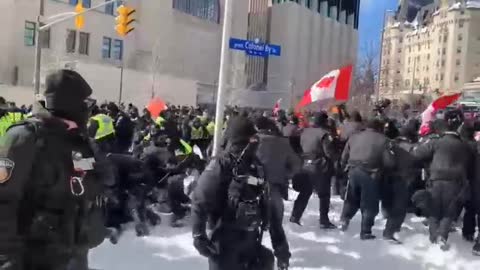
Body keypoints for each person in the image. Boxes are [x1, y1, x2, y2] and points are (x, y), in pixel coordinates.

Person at [0, 69, 113, 270]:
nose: (89, 110)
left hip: (72, 252)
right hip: (32, 257)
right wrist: (7, 258)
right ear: (70, 105)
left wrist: (89, 145)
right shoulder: (25, 138)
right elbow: (3, 200)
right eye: (86, 104)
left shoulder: (77, 141)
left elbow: (101, 179)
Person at [191, 117, 274, 270]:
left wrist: (266, 215)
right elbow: (199, 199)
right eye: (249, 140)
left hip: (251, 237)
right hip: (224, 240)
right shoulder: (221, 164)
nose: (253, 144)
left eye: (254, 140)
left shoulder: (256, 165)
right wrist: (198, 234)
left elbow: (264, 192)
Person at [413, 112, 475, 250]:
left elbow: (417, 154)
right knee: (449, 211)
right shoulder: (465, 146)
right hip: (455, 183)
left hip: (435, 180)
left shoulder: (436, 142)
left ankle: (434, 236)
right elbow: (470, 165)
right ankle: (441, 236)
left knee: (434, 210)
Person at [255, 116, 301, 270]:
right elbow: (296, 165)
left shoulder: (250, 141)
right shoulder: (282, 142)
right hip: (274, 189)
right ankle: (283, 259)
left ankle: (250, 256)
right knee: (276, 226)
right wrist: (284, 175)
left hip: (251, 189)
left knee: (248, 224)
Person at [340, 117, 395, 240]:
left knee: (351, 197)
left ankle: (344, 219)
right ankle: (365, 231)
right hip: (370, 173)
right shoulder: (383, 140)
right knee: (369, 203)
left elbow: (344, 157)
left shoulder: (354, 137)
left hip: (353, 170)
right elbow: (389, 162)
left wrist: (344, 169)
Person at [290, 112, 338, 229]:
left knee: (305, 192)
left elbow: (296, 146)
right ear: (324, 121)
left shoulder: (304, 132)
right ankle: (324, 220)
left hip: (305, 164)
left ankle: (295, 216)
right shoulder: (324, 134)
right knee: (324, 194)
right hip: (320, 165)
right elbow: (329, 152)